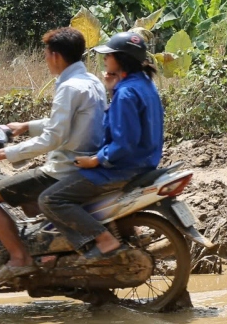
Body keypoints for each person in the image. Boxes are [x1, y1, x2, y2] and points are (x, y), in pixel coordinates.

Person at [0, 27, 106, 288]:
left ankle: (19, 257)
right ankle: (48, 255)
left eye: (46, 54)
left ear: (56, 56)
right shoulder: (91, 81)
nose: (45, 60)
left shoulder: (69, 88)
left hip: (64, 169)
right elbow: (68, 123)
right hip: (83, 162)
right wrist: (27, 126)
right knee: (28, 201)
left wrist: (2, 153)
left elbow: (53, 139)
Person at [41, 31, 164, 262]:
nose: (105, 60)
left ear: (121, 59)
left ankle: (99, 242)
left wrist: (96, 160)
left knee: (50, 199)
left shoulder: (126, 93)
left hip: (120, 168)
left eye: (109, 56)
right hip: (144, 163)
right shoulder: (144, 85)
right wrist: (111, 89)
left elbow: (124, 143)